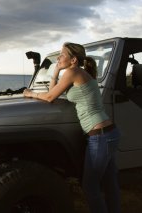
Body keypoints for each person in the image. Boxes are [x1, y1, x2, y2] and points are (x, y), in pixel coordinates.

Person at [23, 42, 121, 213]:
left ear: (73, 59)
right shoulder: (79, 72)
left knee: (90, 186)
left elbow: (50, 97)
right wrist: (55, 72)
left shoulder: (73, 72)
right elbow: (53, 92)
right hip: (109, 133)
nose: (59, 58)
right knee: (109, 183)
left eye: (62, 55)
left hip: (99, 135)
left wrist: (30, 93)